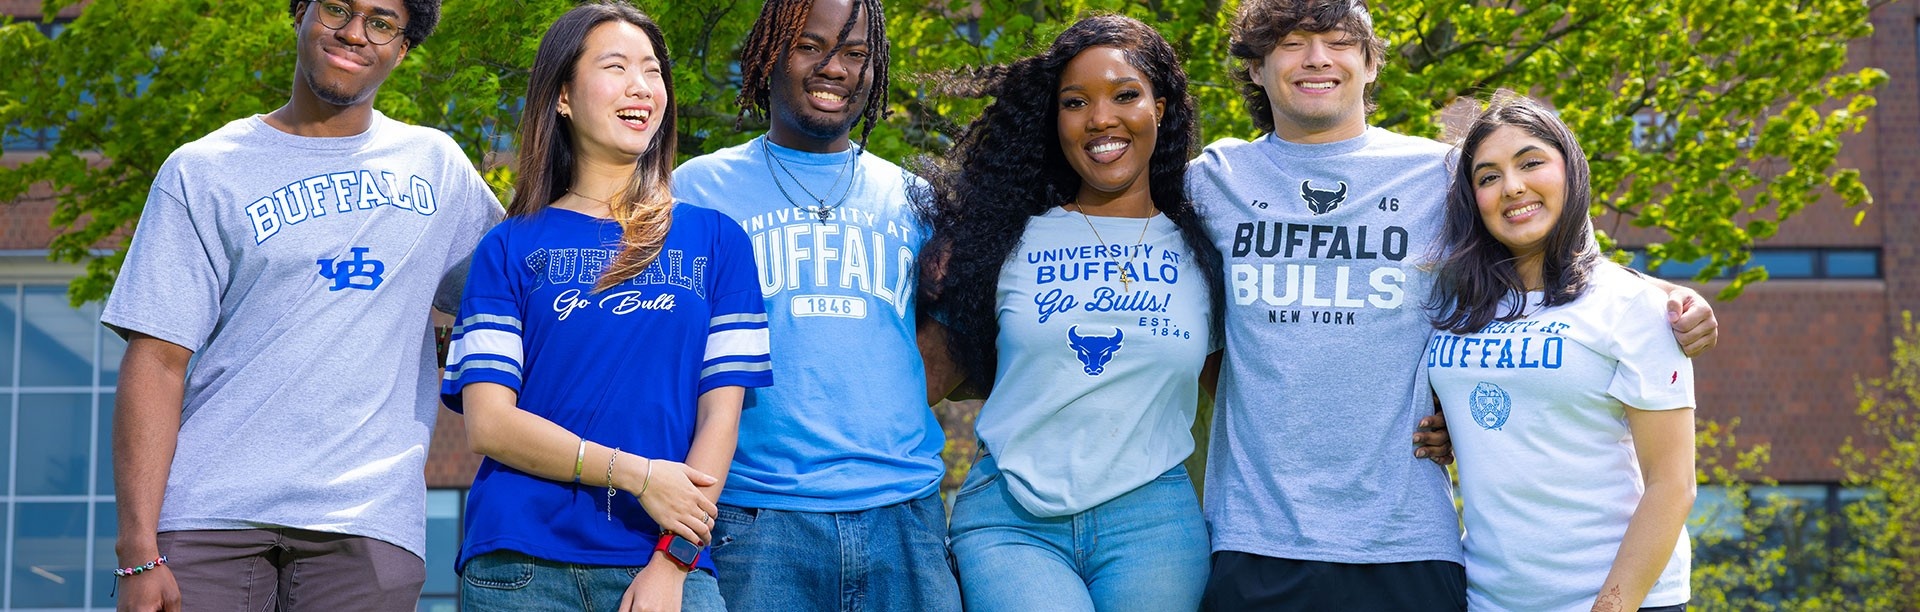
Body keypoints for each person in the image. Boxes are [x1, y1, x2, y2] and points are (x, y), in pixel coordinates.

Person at [1185, 1, 1719, 609]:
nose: (1316, 59)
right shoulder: (1211, 181)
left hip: (1409, 542)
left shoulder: (1447, 177)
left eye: (1337, 41)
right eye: (1291, 42)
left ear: (1370, 64)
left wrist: (1668, 294)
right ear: (1255, 68)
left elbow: (1566, 257)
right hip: (1254, 537)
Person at [101, 1, 500, 609]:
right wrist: (137, 551)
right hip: (209, 514)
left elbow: (514, 297)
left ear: (403, 48)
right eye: (337, 7)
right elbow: (156, 361)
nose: (354, 34)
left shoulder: (438, 169)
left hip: (367, 523)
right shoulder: (202, 171)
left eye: (382, 22)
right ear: (300, 13)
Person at [438, 3, 771, 611]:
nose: (640, 86)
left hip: (664, 562)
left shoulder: (719, 241)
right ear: (563, 95)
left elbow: (719, 420)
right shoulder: (509, 246)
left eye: (651, 70)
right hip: (521, 566)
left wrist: (674, 561)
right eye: (615, 67)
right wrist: (640, 475)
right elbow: (489, 424)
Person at [914, 15, 1222, 610]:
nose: (1101, 118)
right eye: (1075, 102)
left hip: (1154, 522)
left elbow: (1252, 394)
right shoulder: (1001, 240)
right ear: (1055, 122)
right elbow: (915, 385)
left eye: (1126, 95)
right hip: (1011, 520)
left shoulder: (1205, 251)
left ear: (1160, 106)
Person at [669, 0, 962, 609]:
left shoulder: (915, 198)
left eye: (856, 54)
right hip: (755, 517)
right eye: (810, 46)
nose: (836, 68)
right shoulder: (695, 191)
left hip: (903, 513)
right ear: (767, 54)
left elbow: (947, 344)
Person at [1425, 95, 1696, 612]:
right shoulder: (1456, 306)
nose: (1512, 187)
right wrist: (1447, 430)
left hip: (1620, 600)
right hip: (1488, 598)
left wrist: (1612, 608)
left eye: (1531, 163)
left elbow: (1674, 484)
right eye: (1488, 177)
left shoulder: (1633, 304)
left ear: (1571, 172)